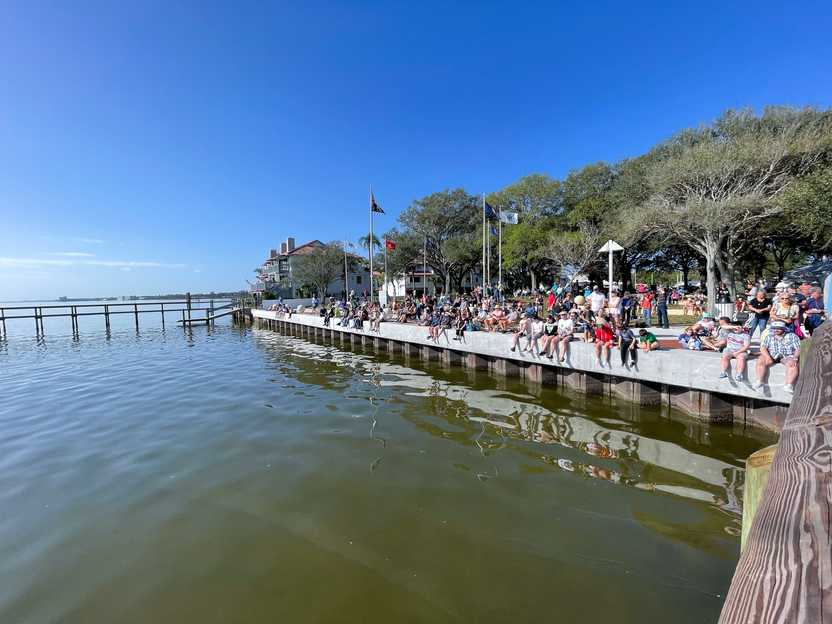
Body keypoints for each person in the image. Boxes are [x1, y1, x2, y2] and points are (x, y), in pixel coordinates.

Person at [755, 321, 800, 393]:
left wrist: (795, 357)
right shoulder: (769, 336)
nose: (776, 330)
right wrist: (768, 357)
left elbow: (798, 348)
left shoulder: (792, 336)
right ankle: (759, 381)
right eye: (774, 328)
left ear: (784, 329)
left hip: (787, 356)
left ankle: (789, 385)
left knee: (793, 364)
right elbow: (763, 348)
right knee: (760, 359)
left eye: (779, 328)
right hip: (772, 355)